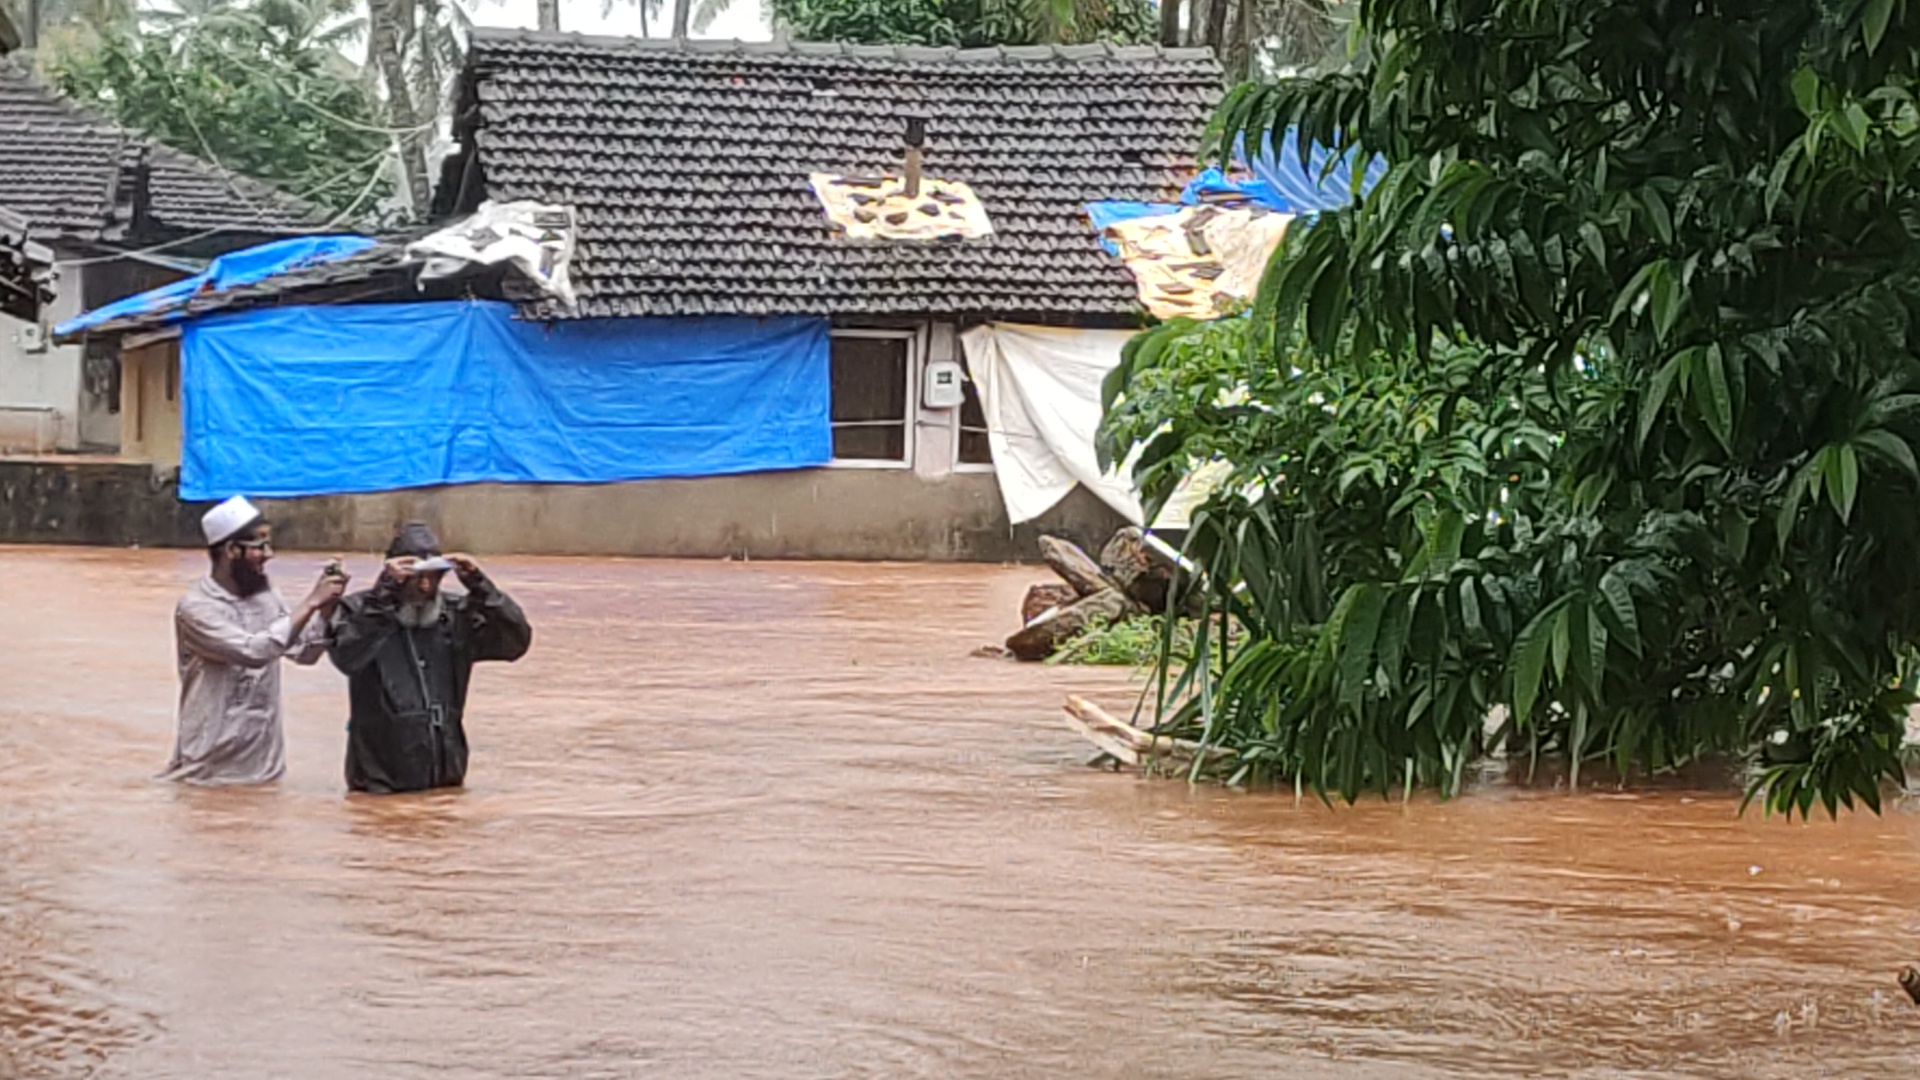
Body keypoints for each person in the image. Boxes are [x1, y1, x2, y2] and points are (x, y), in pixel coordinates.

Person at [328, 523, 532, 794]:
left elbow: (516, 643)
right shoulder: (360, 610)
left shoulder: (456, 615)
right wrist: (384, 596)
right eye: (416, 576)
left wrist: (480, 585)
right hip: (380, 781)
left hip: (446, 773)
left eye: (435, 576)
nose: (426, 586)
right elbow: (346, 656)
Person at [162, 496, 350, 786]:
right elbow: (253, 651)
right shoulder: (196, 608)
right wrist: (311, 602)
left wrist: (326, 609)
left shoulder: (266, 598)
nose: (269, 554)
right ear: (231, 550)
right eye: (259, 546)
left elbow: (304, 653)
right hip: (207, 770)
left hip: (264, 766)